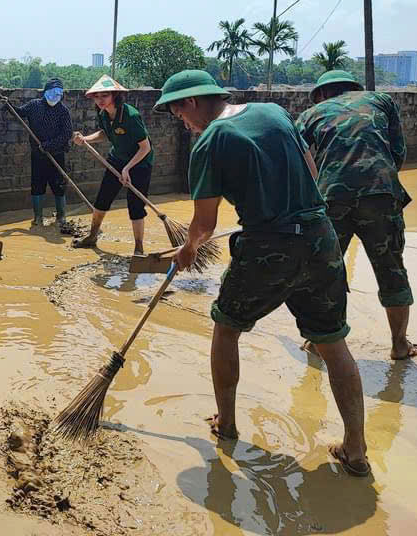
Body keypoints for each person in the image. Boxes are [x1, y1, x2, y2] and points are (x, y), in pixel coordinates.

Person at [155, 69, 368, 477]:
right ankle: (355, 450)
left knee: (226, 326)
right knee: (331, 342)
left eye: (178, 114)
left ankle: (227, 422)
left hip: (269, 246)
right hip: (321, 236)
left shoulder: (210, 142)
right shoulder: (275, 112)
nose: (182, 123)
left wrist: (187, 250)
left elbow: (204, 225)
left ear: (193, 102)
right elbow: (310, 169)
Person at [297, 70, 417, 360]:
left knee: (324, 272)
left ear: (320, 94)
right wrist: (380, 183)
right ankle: (400, 345)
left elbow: (296, 159)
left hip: (331, 198)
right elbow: (398, 151)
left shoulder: (310, 114)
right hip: (381, 195)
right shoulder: (381, 100)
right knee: (391, 269)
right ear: (354, 89)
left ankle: (318, 341)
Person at [71, 75, 153, 254]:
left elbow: (145, 147)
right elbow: (104, 133)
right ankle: (92, 236)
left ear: (114, 96)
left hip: (139, 164)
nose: (100, 100)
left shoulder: (131, 116)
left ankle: (139, 249)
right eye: (97, 96)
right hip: (116, 160)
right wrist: (86, 139)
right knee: (101, 201)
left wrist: (127, 168)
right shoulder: (103, 114)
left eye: (105, 96)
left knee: (136, 207)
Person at [0, 78, 73, 228]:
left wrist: (48, 145)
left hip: (56, 155)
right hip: (38, 155)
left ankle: (61, 216)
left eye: (59, 94)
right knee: (37, 185)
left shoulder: (63, 111)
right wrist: (8, 105)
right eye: (52, 93)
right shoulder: (34, 106)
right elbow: (19, 112)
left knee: (59, 185)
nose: (55, 96)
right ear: (45, 92)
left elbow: (66, 134)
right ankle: (38, 218)